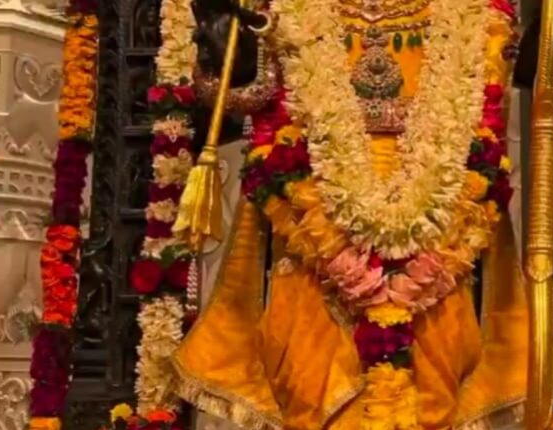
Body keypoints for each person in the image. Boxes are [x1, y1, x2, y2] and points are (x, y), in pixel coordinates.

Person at [173, 0, 532, 428]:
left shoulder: (472, 14)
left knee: (433, 392)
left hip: (435, 235)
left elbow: (500, 97)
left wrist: (546, 32)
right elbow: (245, 98)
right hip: (317, 234)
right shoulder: (289, 13)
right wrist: (231, 57)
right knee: (308, 386)